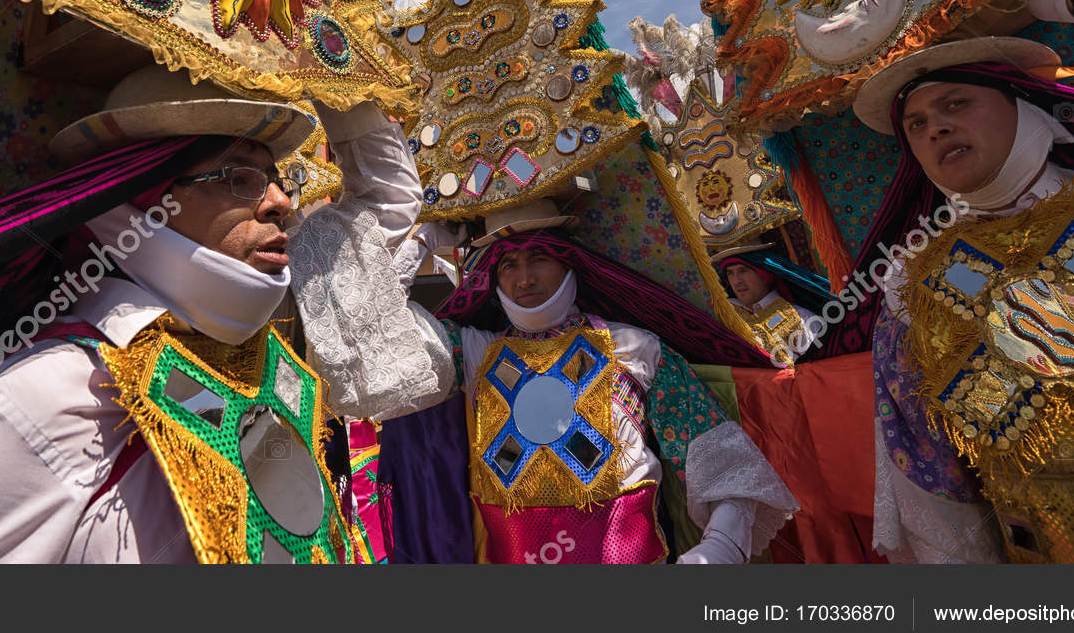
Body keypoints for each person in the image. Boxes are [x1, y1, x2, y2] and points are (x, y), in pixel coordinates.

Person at [0, 65, 421, 563]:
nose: (280, 201)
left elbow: (387, 209)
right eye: (238, 177)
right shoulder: (39, 401)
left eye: (278, 178)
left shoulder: (269, 367)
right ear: (141, 197)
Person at [301, 197, 798, 564]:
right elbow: (375, 325)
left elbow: (721, 458)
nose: (524, 279)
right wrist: (424, 241)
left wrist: (719, 549)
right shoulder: (474, 353)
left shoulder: (635, 347)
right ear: (492, 280)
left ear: (569, 262)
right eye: (509, 265)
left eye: (538, 258)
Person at [852, 28, 1074, 563]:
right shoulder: (907, 295)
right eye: (916, 125)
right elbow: (930, 475)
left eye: (956, 103)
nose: (936, 127)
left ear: (1024, 106)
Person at [716, 247, 819, 365]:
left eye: (743, 271)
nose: (736, 281)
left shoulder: (801, 318)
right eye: (730, 273)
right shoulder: (722, 318)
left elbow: (818, 368)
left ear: (764, 275)